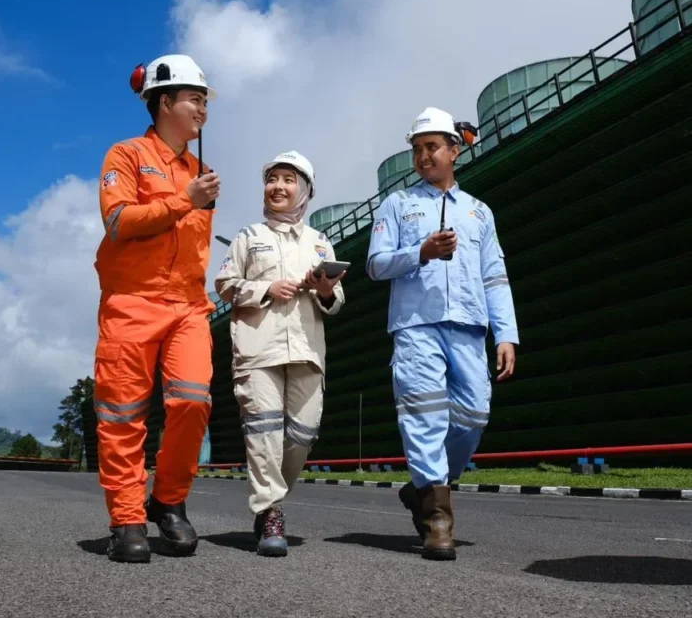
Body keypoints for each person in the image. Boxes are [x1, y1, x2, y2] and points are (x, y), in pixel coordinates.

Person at [365, 106, 519, 561]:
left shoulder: (479, 212)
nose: (423, 156)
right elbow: (376, 265)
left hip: (470, 328)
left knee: (474, 416)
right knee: (425, 416)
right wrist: (421, 252)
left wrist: (506, 333)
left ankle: (422, 488)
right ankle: (437, 517)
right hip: (416, 328)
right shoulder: (397, 205)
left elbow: (495, 275)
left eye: (432, 147)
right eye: (417, 149)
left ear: (455, 150)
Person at [92, 54, 221, 563]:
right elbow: (119, 221)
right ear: (164, 101)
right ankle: (127, 519)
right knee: (123, 413)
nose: (203, 109)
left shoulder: (202, 172)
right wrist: (183, 200)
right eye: (194, 98)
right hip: (131, 301)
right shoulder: (124, 156)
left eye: (206, 100)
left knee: (193, 401)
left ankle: (167, 501)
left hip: (188, 305)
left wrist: (194, 195)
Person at [214, 151, 346, 557]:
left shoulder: (319, 243)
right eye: (272, 179)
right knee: (264, 432)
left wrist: (325, 290)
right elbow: (224, 284)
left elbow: (337, 300)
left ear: (304, 190)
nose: (278, 187)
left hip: (307, 349)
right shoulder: (248, 237)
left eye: (288, 179)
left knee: (303, 434)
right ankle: (271, 511)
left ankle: (270, 497)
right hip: (258, 349)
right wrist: (264, 289)